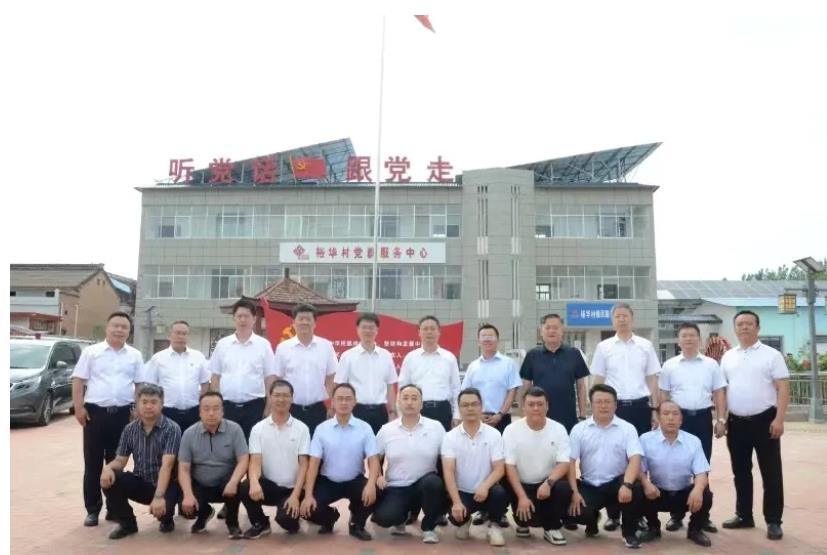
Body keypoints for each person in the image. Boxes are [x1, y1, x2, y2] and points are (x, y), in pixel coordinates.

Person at [589, 303, 660, 531]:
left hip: (640, 407)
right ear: (612, 320)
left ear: (632, 318)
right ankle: (614, 514)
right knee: (616, 457)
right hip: (614, 408)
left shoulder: (645, 346)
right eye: (617, 316)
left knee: (639, 458)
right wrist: (595, 408)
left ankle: (637, 513)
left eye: (625, 315)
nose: (621, 319)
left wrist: (655, 409)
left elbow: (652, 379)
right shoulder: (604, 347)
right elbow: (598, 379)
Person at [720, 310, 789, 541]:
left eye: (749, 324)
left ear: (758, 328)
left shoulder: (772, 355)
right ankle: (744, 515)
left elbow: (783, 387)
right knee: (740, 471)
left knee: (771, 472)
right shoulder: (728, 357)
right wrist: (722, 419)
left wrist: (779, 419)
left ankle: (773, 521)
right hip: (736, 422)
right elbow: (723, 390)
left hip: (765, 421)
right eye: (740, 324)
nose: (744, 327)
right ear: (735, 328)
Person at [71, 311, 143, 527]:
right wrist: (78, 407)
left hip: (123, 415)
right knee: (92, 463)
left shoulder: (135, 355)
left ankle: (114, 508)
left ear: (129, 331)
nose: (119, 330)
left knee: (117, 463)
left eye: (124, 327)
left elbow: (139, 384)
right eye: (115, 326)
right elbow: (78, 380)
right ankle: (92, 510)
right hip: (95, 414)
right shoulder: (91, 352)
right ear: (107, 327)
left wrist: (137, 409)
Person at [659, 322, 726, 532]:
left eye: (692, 335)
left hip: (702, 419)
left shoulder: (711, 365)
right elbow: (663, 394)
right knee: (676, 464)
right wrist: (661, 419)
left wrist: (721, 419)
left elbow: (719, 392)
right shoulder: (669, 365)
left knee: (702, 465)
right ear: (678, 340)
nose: (688, 339)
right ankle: (676, 515)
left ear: (699, 339)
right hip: (677, 419)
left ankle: (702, 517)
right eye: (684, 335)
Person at [99, 384, 181, 539]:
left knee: (165, 511)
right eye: (144, 402)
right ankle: (127, 524)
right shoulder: (130, 429)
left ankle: (167, 519)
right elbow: (120, 461)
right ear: (137, 404)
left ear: (162, 404)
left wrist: (159, 496)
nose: (148, 406)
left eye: (153, 402)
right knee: (110, 480)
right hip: (142, 482)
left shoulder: (171, 429)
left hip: (167, 485)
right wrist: (108, 468)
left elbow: (167, 465)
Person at [568, 384, 644, 549]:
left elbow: (635, 458)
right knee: (574, 510)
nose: (603, 406)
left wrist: (627, 485)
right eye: (599, 402)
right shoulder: (579, 429)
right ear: (592, 404)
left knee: (636, 488)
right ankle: (592, 520)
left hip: (617, 485)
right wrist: (574, 492)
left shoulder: (627, 428)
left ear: (615, 405)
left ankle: (629, 533)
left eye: (608, 402)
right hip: (590, 485)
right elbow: (570, 462)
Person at [300, 383, 380, 541]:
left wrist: (371, 484)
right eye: (340, 399)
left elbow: (374, 459)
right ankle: (329, 518)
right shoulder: (322, 429)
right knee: (307, 507)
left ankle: (356, 523)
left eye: (348, 399)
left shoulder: (365, 428)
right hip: (328, 481)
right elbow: (313, 464)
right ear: (332, 402)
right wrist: (308, 495)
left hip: (354, 480)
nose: (344, 402)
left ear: (355, 402)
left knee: (377, 492)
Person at [371, 384, 447, 544]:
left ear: (421, 403)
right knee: (384, 518)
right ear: (398, 402)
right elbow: (375, 458)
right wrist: (378, 476)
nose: (410, 402)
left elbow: (447, 459)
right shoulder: (387, 430)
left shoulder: (436, 427)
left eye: (414, 398)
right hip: (397, 486)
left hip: (425, 484)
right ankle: (401, 518)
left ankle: (429, 528)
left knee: (434, 483)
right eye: (405, 398)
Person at [238, 379, 311, 539]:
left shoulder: (302, 429)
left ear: (292, 399)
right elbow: (255, 462)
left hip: (292, 489)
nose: (281, 399)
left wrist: (295, 495)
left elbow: (304, 465)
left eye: (285, 395)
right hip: (269, 486)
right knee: (245, 487)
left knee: (287, 521)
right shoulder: (258, 429)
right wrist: (254, 482)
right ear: (269, 398)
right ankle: (260, 523)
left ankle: (293, 516)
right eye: (277, 395)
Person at [638, 401, 714, 547]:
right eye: (666, 414)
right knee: (637, 489)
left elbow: (701, 472)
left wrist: (698, 490)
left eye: (675, 414)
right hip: (656, 494)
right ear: (658, 417)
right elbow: (638, 469)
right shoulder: (646, 440)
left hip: (683, 495)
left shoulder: (693, 441)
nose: (671, 418)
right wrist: (646, 484)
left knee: (705, 493)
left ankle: (695, 530)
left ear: (681, 419)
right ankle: (653, 527)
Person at [503, 387, 573, 546]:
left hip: (546, 485)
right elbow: (510, 466)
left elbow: (564, 463)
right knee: (504, 484)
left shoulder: (558, 429)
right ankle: (522, 522)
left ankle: (552, 528)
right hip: (521, 485)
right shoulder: (511, 430)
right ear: (523, 407)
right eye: (531, 404)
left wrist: (549, 482)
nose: (536, 408)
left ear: (547, 406)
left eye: (540, 404)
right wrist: (522, 497)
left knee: (564, 487)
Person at [441, 388, 508, 547]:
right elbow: (448, 472)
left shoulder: (494, 434)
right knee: (455, 517)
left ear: (481, 406)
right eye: (465, 405)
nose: (470, 408)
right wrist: (456, 502)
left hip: (487, 491)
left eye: (474, 404)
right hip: (463, 492)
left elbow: (499, 468)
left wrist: (485, 486)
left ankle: (494, 526)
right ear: (459, 408)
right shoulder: (450, 437)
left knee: (499, 493)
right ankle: (465, 521)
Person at [178, 391, 249, 538]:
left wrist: (234, 481)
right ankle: (204, 514)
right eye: (206, 409)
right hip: (200, 484)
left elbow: (243, 459)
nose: (211, 413)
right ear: (199, 412)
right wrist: (188, 495)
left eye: (216, 408)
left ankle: (232, 523)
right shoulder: (189, 434)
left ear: (222, 411)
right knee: (183, 497)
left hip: (226, 484)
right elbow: (183, 468)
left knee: (237, 485)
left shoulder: (234, 430)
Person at [209, 299, 277, 440]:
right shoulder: (222, 344)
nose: (243, 320)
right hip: (227, 406)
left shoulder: (263, 345)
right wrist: (216, 405)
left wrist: (269, 406)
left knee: (253, 445)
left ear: (254, 319)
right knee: (226, 445)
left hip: (255, 406)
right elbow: (215, 377)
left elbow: (270, 378)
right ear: (234, 319)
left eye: (246, 316)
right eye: (239, 316)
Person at [273, 303, 338, 436]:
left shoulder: (326, 346)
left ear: (315, 323)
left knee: (317, 446)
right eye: (301, 319)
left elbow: (331, 379)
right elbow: (277, 380)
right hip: (291, 409)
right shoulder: (283, 348)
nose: (304, 322)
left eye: (308, 319)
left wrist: (333, 406)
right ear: (294, 322)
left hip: (318, 409)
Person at [520, 313, 590, 433]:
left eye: (555, 327)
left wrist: (583, 415)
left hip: (568, 415)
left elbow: (581, 386)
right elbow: (525, 387)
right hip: (539, 415)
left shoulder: (574, 354)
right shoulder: (532, 355)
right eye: (547, 328)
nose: (551, 331)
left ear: (562, 330)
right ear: (541, 331)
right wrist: (524, 415)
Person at [139, 320, 210, 435]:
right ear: (169, 335)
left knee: (191, 444)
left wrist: (202, 405)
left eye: (184, 333)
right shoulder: (158, 358)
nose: (181, 336)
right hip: (167, 412)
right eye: (177, 333)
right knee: (167, 444)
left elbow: (205, 383)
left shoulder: (198, 357)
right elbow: (150, 386)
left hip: (193, 412)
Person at [334, 312, 398, 434]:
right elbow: (339, 386)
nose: (367, 331)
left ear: (377, 330)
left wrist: (393, 411)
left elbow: (390, 386)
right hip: (355, 411)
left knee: (379, 445)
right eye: (364, 327)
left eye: (371, 327)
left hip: (380, 411)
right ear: (358, 330)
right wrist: (337, 411)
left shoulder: (386, 355)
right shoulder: (348, 356)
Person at [399, 315, 461, 432]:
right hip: (418, 410)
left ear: (439, 332)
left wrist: (457, 414)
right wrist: (401, 414)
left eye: (432, 329)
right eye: (425, 329)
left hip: (443, 410)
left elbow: (456, 388)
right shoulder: (410, 358)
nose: (429, 332)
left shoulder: (449, 358)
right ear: (419, 332)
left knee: (443, 443)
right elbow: (402, 387)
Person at [462, 324, 521, 434]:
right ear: (478, 342)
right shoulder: (473, 366)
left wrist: (500, 414)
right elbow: (466, 393)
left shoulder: (508, 364)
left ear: (498, 341)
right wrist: (478, 414)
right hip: (477, 418)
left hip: (502, 419)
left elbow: (512, 392)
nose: (487, 339)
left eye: (490, 336)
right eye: (484, 336)